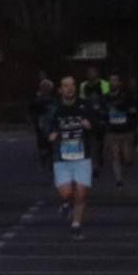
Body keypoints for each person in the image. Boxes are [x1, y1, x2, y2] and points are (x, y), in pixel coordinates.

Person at [40, 75, 93, 240]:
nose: (69, 88)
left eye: (72, 85)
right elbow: (44, 124)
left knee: (82, 194)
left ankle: (76, 225)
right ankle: (65, 203)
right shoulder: (54, 108)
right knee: (66, 193)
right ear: (60, 90)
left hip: (83, 155)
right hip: (62, 157)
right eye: (65, 86)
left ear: (75, 88)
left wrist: (90, 125)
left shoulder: (84, 106)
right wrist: (50, 133)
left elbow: (99, 123)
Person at [101, 73, 138, 189]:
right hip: (112, 131)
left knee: (127, 158)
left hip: (126, 130)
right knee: (114, 155)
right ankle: (119, 181)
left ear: (119, 83)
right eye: (111, 81)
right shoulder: (105, 97)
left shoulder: (126, 96)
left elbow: (134, 110)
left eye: (115, 81)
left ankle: (124, 160)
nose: (113, 83)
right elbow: (101, 112)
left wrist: (129, 110)